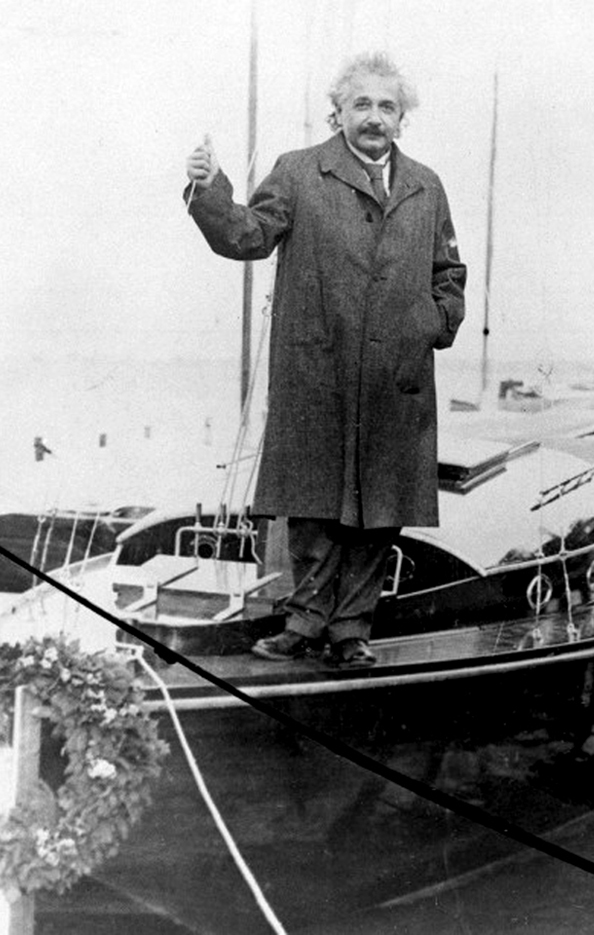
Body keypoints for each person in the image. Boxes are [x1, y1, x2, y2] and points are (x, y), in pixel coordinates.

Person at [184, 52, 466, 668]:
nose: (373, 117)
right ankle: (305, 621)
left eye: (386, 106)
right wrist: (210, 189)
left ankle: (351, 631)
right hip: (316, 370)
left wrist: (434, 323)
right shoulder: (300, 172)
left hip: (396, 377)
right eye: (360, 104)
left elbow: (449, 272)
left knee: (378, 510)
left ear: (402, 119)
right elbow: (247, 235)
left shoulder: (426, 185)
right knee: (312, 505)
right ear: (335, 111)